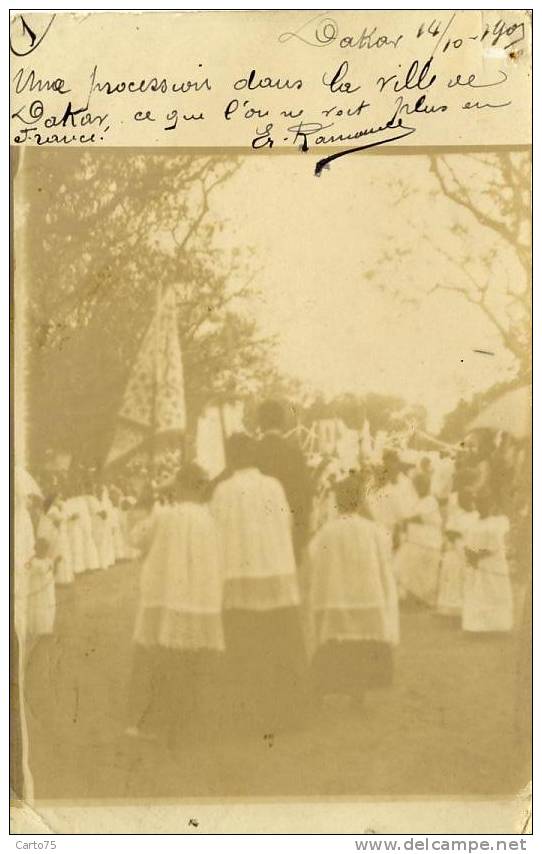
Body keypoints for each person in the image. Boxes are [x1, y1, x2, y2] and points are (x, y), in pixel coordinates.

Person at [211, 432, 307, 732]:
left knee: (243, 646)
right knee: (279, 644)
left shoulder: (223, 491)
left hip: (238, 576)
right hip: (275, 572)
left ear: (231, 458)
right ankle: (286, 710)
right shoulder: (274, 486)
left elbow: (215, 534)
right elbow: (287, 524)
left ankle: (244, 712)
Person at [127, 464, 224, 745]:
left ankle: (159, 722)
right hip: (200, 600)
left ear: (179, 487)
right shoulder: (211, 519)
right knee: (193, 661)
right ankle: (189, 723)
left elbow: (136, 538)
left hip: (167, 597)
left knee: (163, 662)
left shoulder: (165, 517)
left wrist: (148, 504)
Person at [306, 476, 399, 708]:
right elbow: (387, 554)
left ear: (337, 502)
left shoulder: (328, 531)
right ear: (360, 501)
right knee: (362, 647)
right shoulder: (374, 531)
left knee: (334, 645)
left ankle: (324, 690)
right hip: (368, 597)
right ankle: (358, 693)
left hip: (337, 598)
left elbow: (312, 555)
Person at [254, 399, 313, 562]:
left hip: (257, 532)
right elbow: (305, 498)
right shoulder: (294, 454)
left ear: (260, 422)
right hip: (288, 531)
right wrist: (301, 537)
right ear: (282, 422)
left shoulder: (253, 452)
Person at [462, 490, 514, 634]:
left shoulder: (496, 523)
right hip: (476, 562)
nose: (480, 506)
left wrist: (476, 555)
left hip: (491, 562)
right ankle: (477, 626)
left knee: (493, 592)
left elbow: (494, 547)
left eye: (484, 503)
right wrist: (469, 553)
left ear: (491, 506)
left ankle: (496, 626)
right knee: (477, 592)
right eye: (478, 503)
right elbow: (467, 542)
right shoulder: (472, 522)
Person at [394, 473, 443, 606]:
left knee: (426, 574)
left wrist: (404, 520)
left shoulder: (430, 500)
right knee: (404, 568)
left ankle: (426, 600)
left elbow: (419, 518)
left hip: (429, 542)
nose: (419, 488)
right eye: (417, 485)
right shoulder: (417, 502)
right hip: (417, 541)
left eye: (421, 485)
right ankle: (413, 598)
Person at [436, 488, 478, 617]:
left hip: (471, 549)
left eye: (469, 499)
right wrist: (458, 539)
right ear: (459, 502)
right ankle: (452, 608)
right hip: (456, 549)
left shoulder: (476, 515)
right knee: (453, 570)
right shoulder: (456, 516)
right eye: (463, 500)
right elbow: (450, 533)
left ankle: (468, 607)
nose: (467, 502)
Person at [25, 538, 57, 638]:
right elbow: (44, 570)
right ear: (37, 550)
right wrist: (54, 564)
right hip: (39, 590)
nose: (45, 552)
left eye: (46, 550)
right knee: (39, 607)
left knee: (48, 607)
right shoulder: (34, 562)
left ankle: (46, 629)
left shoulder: (46, 559)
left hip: (47, 590)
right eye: (43, 550)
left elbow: (52, 570)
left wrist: (54, 564)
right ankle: (38, 630)